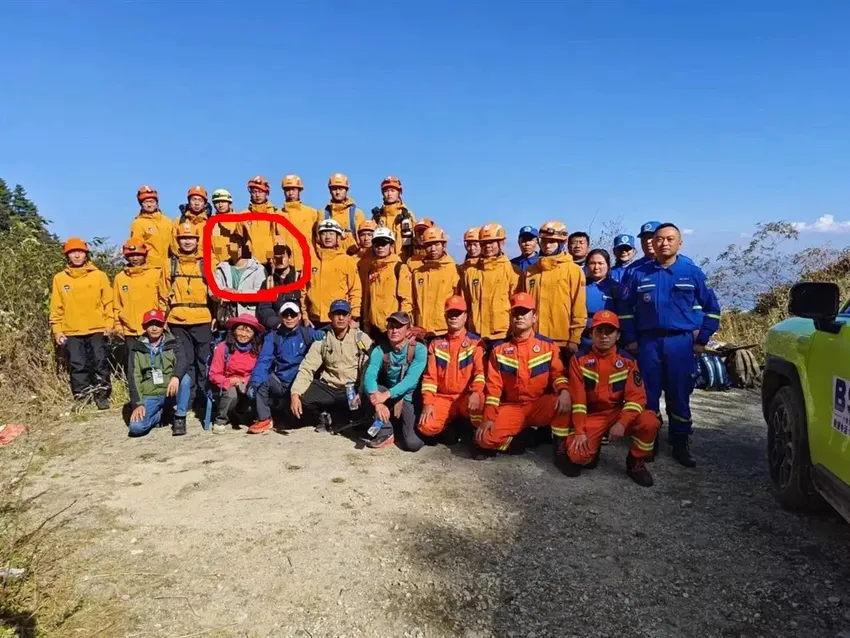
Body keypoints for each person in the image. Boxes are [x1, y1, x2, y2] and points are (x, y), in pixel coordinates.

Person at [619, 223, 721, 467]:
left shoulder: (691, 272)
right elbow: (624, 309)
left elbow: (712, 309)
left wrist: (702, 339)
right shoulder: (637, 273)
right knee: (648, 395)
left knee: (679, 394)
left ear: (679, 243)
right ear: (651, 243)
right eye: (659, 239)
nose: (664, 243)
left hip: (680, 343)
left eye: (670, 239)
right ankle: (648, 441)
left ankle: (680, 442)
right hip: (648, 343)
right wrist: (631, 339)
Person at [557, 310, 659, 486]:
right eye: (599, 331)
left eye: (609, 331)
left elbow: (637, 399)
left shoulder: (628, 361)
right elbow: (579, 401)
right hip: (592, 415)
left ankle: (636, 463)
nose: (604, 336)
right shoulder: (579, 360)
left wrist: (622, 423)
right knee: (577, 455)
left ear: (618, 335)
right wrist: (580, 431)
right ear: (591, 334)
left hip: (617, 412)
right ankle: (591, 452)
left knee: (650, 421)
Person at [475, 293, 571, 459]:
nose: (519, 316)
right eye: (516, 313)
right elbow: (493, 388)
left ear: (534, 317)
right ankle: (522, 440)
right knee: (484, 439)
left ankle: (561, 449)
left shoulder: (548, 345)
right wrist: (489, 418)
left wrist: (564, 390)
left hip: (539, 405)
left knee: (566, 400)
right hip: (512, 407)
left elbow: (558, 375)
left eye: (524, 312)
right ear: (511, 317)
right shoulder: (499, 349)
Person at [49, 238, 114, 409]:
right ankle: (82, 396)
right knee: (78, 365)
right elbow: (56, 306)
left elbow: (109, 302)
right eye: (72, 252)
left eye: (80, 252)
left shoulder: (99, 275)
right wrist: (57, 330)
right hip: (71, 330)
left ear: (86, 254)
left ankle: (102, 395)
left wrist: (109, 323)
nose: (77, 255)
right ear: (67, 256)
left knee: (100, 362)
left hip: (97, 327)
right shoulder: (60, 278)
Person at [289, 300, 373, 431]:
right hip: (328, 387)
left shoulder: (361, 338)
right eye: (337, 314)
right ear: (330, 316)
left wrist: (361, 392)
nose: (341, 318)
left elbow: (370, 367)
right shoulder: (322, 338)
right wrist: (295, 393)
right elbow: (307, 367)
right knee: (303, 400)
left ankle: (335, 417)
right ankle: (323, 416)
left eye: (344, 314)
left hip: (352, 389)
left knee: (366, 404)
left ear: (350, 316)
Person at [417, 296, 485, 444]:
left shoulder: (476, 343)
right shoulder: (436, 344)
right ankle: (452, 428)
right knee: (426, 427)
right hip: (443, 398)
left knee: (479, 404)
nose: (454, 317)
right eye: (450, 313)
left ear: (466, 316)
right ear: (445, 316)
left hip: (466, 397)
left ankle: (471, 432)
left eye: (458, 313)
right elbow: (430, 379)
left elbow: (480, 374)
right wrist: (428, 403)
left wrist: (476, 392)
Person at [247, 302, 323, 434]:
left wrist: (322, 335)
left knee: (297, 420)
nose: (289, 318)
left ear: (299, 316)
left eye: (293, 314)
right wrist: (255, 382)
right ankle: (264, 419)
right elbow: (264, 360)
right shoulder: (273, 336)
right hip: (280, 381)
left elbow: (330, 336)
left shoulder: (308, 334)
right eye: (285, 314)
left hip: (300, 383)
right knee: (262, 380)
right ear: (280, 317)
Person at [519, 220, 587, 360]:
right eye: (544, 241)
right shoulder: (530, 272)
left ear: (561, 243)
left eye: (552, 241)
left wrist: (575, 338)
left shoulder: (573, 270)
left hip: (562, 341)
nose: (547, 245)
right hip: (533, 339)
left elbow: (579, 307)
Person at [363, 311, 427, 450]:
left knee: (412, 444)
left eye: (399, 327)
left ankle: (407, 427)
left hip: (409, 398)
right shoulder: (380, 350)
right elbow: (370, 375)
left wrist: (385, 396)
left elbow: (411, 379)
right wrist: (378, 403)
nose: (394, 330)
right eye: (391, 326)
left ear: (408, 330)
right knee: (373, 389)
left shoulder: (419, 349)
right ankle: (386, 432)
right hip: (388, 396)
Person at [164, 222, 213, 401]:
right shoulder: (169, 264)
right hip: (177, 320)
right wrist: (163, 318)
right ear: (178, 240)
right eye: (183, 238)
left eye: (191, 238)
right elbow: (162, 294)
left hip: (202, 318)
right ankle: (189, 398)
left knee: (204, 360)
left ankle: (205, 396)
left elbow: (214, 291)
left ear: (197, 240)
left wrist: (215, 316)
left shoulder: (207, 262)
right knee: (185, 360)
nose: (187, 242)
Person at [127, 309, 192, 437]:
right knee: (136, 427)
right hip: (150, 394)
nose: (155, 328)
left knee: (185, 379)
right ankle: (160, 416)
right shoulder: (136, 347)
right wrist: (137, 404)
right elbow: (133, 376)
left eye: (158, 324)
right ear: (144, 327)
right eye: (151, 324)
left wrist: (175, 377)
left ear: (164, 325)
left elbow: (183, 361)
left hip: (170, 391)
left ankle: (179, 417)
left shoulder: (174, 342)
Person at [461, 222, 518, 343]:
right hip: (474, 333)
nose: (487, 246)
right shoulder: (470, 271)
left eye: (491, 242)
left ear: (501, 243)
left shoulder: (512, 271)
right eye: (484, 243)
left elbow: (516, 306)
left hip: (502, 334)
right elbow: (465, 303)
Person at [208, 314, 264, 434]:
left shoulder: (257, 349)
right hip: (226, 386)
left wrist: (245, 380)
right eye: (240, 329)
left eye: (248, 331)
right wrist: (231, 381)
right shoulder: (223, 348)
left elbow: (260, 370)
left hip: (247, 383)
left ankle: (247, 414)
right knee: (232, 393)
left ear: (254, 334)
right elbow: (213, 374)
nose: (244, 335)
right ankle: (221, 420)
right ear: (233, 330)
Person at [113, 239, 167, 358]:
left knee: (154, 363)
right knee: (132, 365)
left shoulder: (156, 274)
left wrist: (163, 321)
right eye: (131, 255)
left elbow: (162, 300)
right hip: (129, 329)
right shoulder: (120, 278)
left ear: (144, 254)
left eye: (138, 255)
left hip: (152, 328)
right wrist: (118, 326)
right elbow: (117, 305)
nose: (135, 258)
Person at [304, 219, 362, 329]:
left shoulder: (347, 261)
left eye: (331, 233)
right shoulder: (311, 261)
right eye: (324, 233)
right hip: (314, 320)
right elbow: (303, 291)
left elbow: (355, 290)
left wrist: (354, 316)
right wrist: (305, 317)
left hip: (340, 319)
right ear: (318, 237)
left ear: (338, 237)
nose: (328, 237)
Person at [363, 227, 413, 340]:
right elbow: (367, 300)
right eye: (376, 244)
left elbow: (406, 300)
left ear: (391, 246)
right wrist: (366, 324)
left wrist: (403, 326)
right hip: (374, 328)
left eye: (384, 243)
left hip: (394, 328)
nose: (380, 247)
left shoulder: (400, 268)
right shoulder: (371, 270)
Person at [410, 226, 460, 338]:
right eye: (428, 245)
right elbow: (412, 302)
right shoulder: (418, 272)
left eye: (437, 244)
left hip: (445, 330)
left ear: (444, 245)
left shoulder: (454, 270)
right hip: (420, 331)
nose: (433, 249)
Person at [212, 226, 265, 320]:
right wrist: (223, 291)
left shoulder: (258, 268)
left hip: (248, 319)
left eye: (238, 246)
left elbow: (260, 293)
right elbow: (212, 290)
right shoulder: (221, 268)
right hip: (226, 319)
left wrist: (236, 294)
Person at [279, 175, 319, 277]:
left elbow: (319, 240)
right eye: (287, 190)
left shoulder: (312, 213)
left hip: (309, 264)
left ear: (299, 190)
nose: (290, 193)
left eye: (293, 189)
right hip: (286, 267)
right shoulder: (277, 215)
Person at [370, 176, 417, 261]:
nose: (389, 194)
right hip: (382, 263)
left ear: (399, 193)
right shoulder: (377, 217)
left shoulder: (408, 215)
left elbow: (417, 241)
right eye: (386, 191)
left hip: (403, 262)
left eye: (392, 190)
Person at [256, 244, 300, 331]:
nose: (279, 260)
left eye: (282, 257)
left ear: (289, 258)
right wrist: (278, 324)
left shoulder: (299, 278)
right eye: (276, 257)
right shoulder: (268, 283)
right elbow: (264, 308)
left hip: (299, 327)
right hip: (277, 329)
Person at [320, 173, 366, 254]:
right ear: (330, 190)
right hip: (329, 259)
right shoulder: (322, 214)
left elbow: (363, 243)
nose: (337, 192)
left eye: (341, 189)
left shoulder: (357, 214)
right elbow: (318, 242)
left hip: (352, 260)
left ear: (346, 190)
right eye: (334, 189)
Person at [582, 248, 618, 350]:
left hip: (608, 337)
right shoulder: (580, 286)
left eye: (600, 263)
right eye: (592, 263)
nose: (596, 267)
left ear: (607, 265)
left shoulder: (616, 288)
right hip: (584, 336)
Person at [129, 185, 172, 268]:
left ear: (156, 203)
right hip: (149, 268)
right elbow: (136, 250)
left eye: (152, 201)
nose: (149, 205)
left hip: (168, 267)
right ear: (141, 204)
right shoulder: (138, 224)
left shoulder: (168, 221)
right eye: (145, 202)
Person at [242, 176, 281, 266]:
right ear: (250, 193)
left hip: (270, 262)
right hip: (250, 263)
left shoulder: (275, 213)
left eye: (260, 192)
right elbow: (240, 241)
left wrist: (277, 260)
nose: (257, 195)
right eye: (254, 192)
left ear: (266, 193)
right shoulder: (243, 215)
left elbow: (280, 239)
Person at [171, 186, 210, 257]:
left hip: (204, 263)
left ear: (205, 204)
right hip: (183, 262)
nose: (197, 203)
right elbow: (174, 245)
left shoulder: (210, 223)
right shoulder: (178, 222)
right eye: (194, 199)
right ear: (189, 201)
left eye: (200, 200)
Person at [209, 189, 243, 266]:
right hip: (218, 267)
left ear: (229, 203)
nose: (220, 205)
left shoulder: (240, 221)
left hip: (237, 265)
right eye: (217, 202)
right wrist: (215, 264)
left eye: (223, 201)